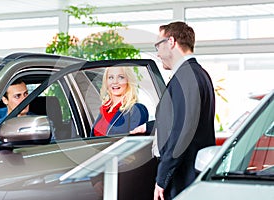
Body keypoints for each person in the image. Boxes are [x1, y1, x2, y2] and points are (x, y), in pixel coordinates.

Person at [130, 21, 216, 200]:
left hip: (183, 177)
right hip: (191, 174)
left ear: (171, 42)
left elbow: (181, 134)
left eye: (158, 45)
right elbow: (187, 119)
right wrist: (150, 126)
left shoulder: (185, 77)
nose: (157, 53)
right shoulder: (197, 73)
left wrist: (162, 178)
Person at [90, 66, 149, 137]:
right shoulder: (104, 109)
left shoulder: (136, 109)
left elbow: (136, 144)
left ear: (128, 80)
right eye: (111, 77)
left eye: (121, 77)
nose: (115, 82)